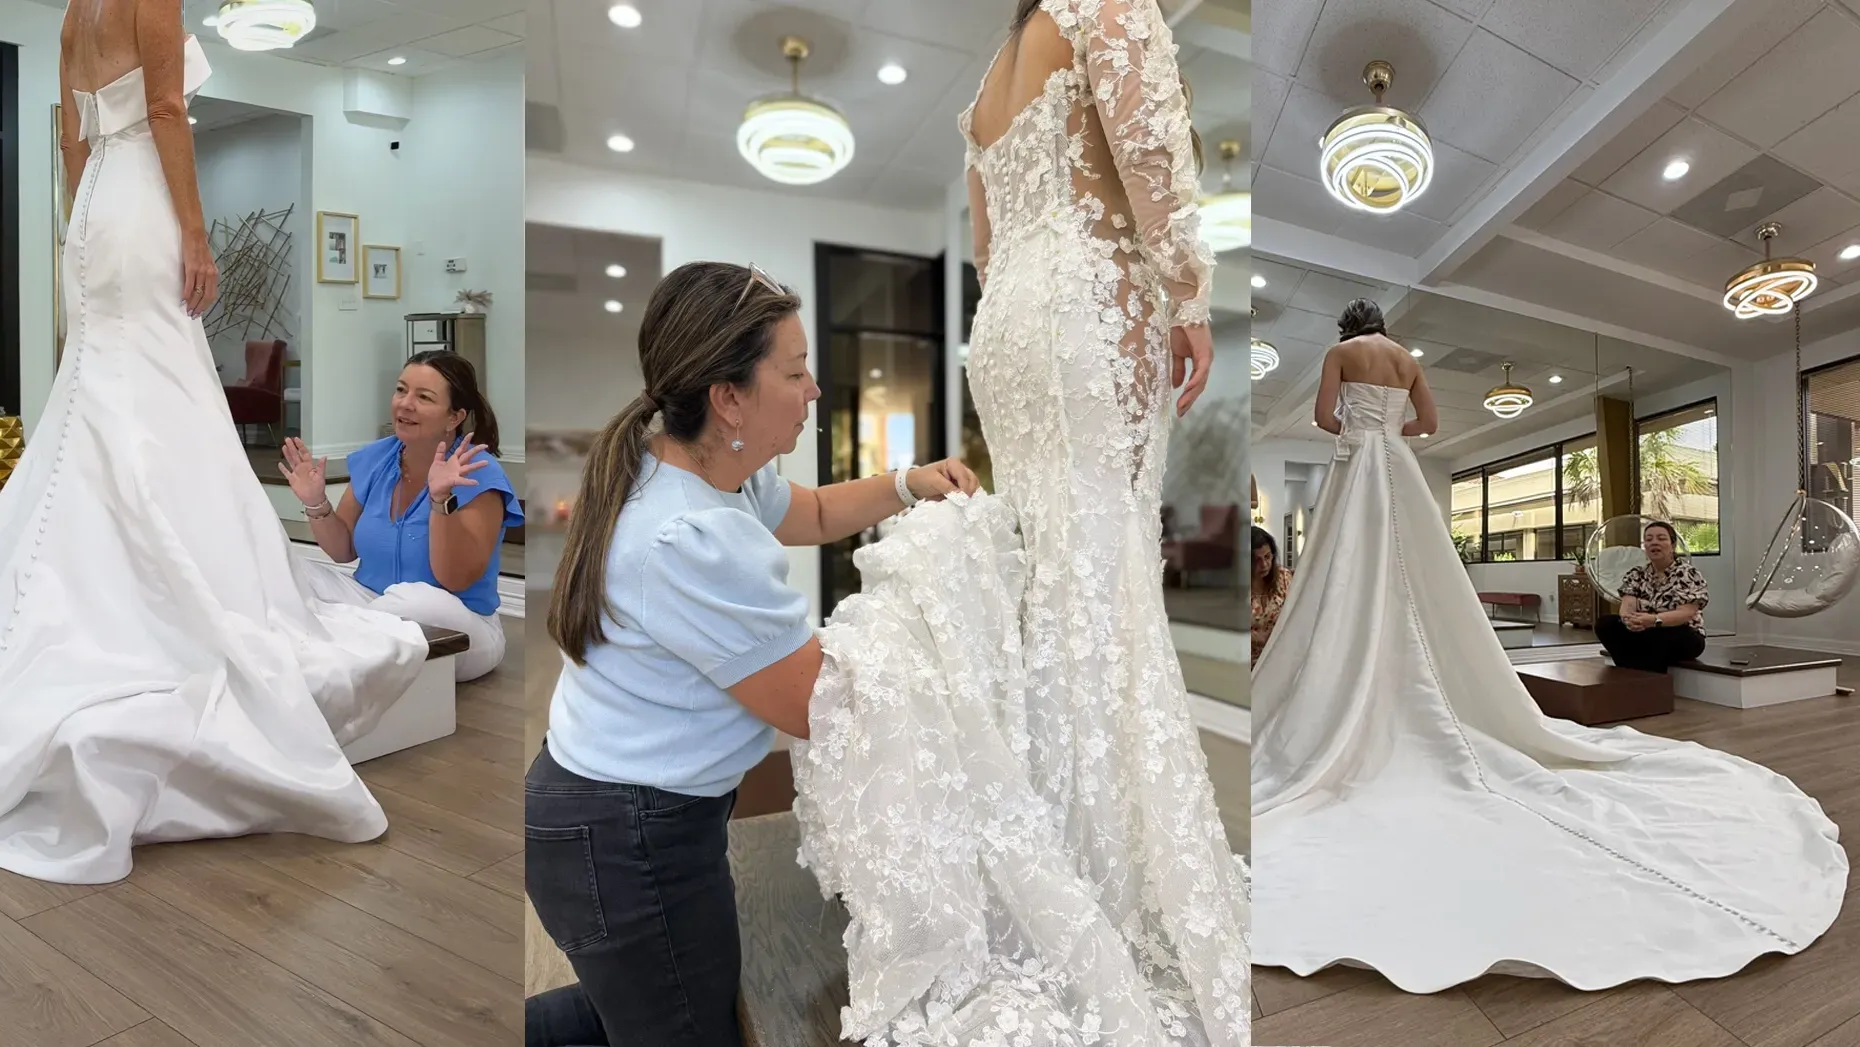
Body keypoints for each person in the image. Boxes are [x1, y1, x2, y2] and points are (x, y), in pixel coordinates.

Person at [786, 1, 1246, 1042]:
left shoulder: (992, 74)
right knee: (1106, 570)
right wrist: (1186, 295)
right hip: (1090, 302)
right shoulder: (1109, 6)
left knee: (1054, 577)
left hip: (1012, 323)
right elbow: (1150, 156)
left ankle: (1048, 842)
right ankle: (1103, 872)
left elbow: (987, 245)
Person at [0, 0, 428, 886]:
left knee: (102, 389)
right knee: (153, 389)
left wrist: (79, 219)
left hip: (93, 215)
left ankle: (86, 574)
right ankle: (154, 578)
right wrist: (195, 229)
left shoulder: (73, 15)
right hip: (142, 206)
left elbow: (72, 139)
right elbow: (166, 110)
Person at [1251, 299, 1844, 995]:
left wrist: (1356, 424)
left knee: (1349, 574)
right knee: (1420, 573)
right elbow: (1430, 425)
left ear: (1346, 328)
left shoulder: (1341, 356)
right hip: (1398, 467)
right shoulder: (1408, 360)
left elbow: (1325, 418)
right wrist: (1392, 427)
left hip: (1359, 467)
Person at [524, 261, 979, 1047]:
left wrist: (908, 482)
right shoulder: (693, 539)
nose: (813, 392)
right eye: (796, 372)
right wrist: (926, 616)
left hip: (607, 811)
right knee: (686, 1025)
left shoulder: (686, 457)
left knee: (644, 1007)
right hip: (625, 837)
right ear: (727, 397)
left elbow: (810, 509)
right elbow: (814, 701)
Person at [282, 350, 523, 681]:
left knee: (411, 600)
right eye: (401, 390)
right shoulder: (376, 459)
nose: (405, 404)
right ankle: (342, 642)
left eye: (423, 397)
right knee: (292, 570)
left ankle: (330, 642)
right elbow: (342, 551)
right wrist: (315, 502)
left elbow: (455, 579)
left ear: (454, 417)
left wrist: (440, 500)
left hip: (458, 624)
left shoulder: (478, 473)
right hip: (373, 603)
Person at [1593, 521, 1707, 673]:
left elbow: (1686, 613)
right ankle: (1631, 675)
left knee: (1659, 636)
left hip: (1681, 633)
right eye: (1649, 539)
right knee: (1605, 624)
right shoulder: (1637, 574)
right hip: (1645, 630)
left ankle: (1645, 680)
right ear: (1645, 546)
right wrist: (1630, 621)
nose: (1654, 543)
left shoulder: (1687, 573)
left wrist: (1654, 621)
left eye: (1661, 538)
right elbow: (1627, 606)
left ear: (1672, 545)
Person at [1249, 525, 1290, 667]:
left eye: (1267, 557)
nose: (1265, 564)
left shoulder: (1283, 578)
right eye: (1257, 560)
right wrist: (1255, 638)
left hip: (1279, 659)